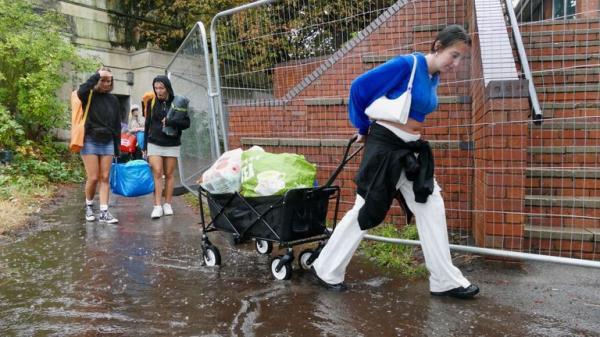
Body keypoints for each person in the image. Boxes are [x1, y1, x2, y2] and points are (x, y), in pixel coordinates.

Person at [311, 25, 480, 299]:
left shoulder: (432, 76)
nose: (457, 64)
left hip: (409, 150)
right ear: (438, 46)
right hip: (385, 148)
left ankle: (444, 280)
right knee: (365, 210)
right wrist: (362, 128)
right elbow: (359, 88)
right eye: (454, 55)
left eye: (461, 58)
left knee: (431, 205)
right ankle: (326, 269)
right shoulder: (407, 65)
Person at [78, 67, 121, 224]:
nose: (106, 83)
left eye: (108, 80)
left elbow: (117, 125)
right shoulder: (88, 95)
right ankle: (89, 206)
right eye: (103, 80)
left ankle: (104, 212)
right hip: (89, 139)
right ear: (96, 79)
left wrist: (117, 147)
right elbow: (80, 91)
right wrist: (98, 74)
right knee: (94, 177)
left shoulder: (113, 100)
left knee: (105, 177)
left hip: (108, 140)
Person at [143, 75, 190, 219]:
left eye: (161, 88)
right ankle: (157, 206)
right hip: (154, 142)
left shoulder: (178, 102)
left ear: (167, 87)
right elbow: (147, 125)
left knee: (169, 175)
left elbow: (186, 124)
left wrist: (170, 121)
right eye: (156, 88)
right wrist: (144, 146)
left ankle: (167, 204)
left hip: (172, 143)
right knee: (157, 172)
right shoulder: (151, 102)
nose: (158, 91)